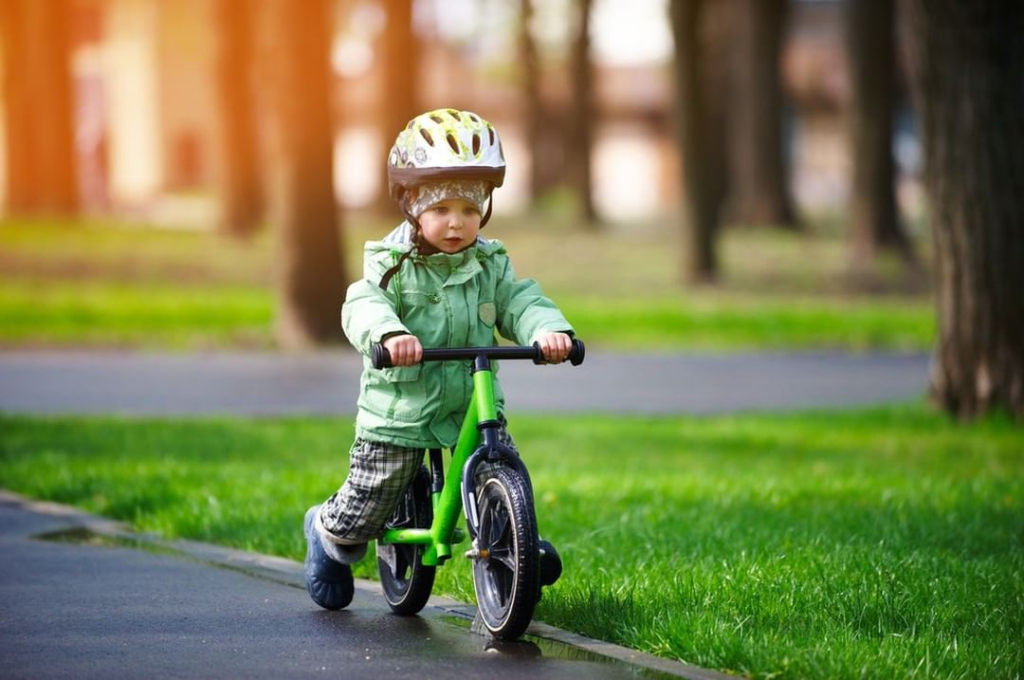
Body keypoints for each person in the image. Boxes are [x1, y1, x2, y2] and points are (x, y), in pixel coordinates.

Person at [303, 108, 574, 610]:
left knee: (496, 461)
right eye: (442, 207)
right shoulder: (391, 264)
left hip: (470, 403)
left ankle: (512, 538)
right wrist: (390, 333)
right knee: (368, 506)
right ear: (410, 203)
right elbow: (363, 304)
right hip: (401, 410)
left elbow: (519, 301)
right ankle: (327, 532)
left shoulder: (489, 261)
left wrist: (549, 330)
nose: (457, 222)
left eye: (470, 210)